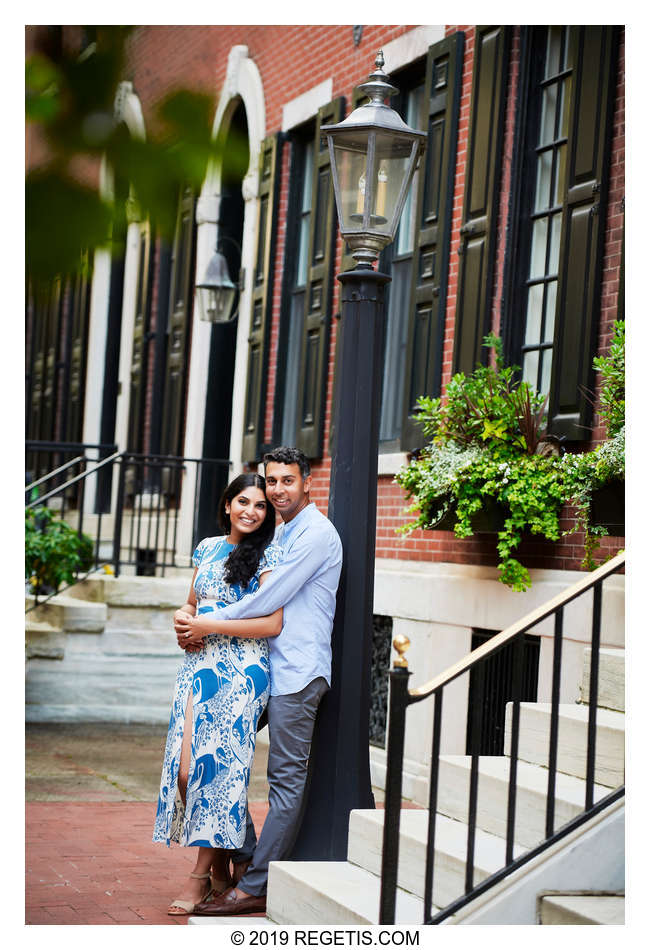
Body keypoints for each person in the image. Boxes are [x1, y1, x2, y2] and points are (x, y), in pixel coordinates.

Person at [181, 446, 342, 917]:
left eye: (286, 481)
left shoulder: (316, 534)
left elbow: (270, 599)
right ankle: (244, 855)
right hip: (264, 669)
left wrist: (206, 623)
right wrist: (190, 614)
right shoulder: (284, 529)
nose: (276, 490)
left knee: (284, 781)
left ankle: (254, 885)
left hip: (296, 672)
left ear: (307, 482)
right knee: (215, 759)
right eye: (272, 481)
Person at [152, 473, 283, 916]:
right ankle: (223, 869)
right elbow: (192, 602)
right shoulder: (208, 548)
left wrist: (208, 625)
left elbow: (272, 624)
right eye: (243, 501)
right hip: (197, 667)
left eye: (261, 505)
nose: (252, 511)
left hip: (242, 672)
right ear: (227, 504)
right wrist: (182, 618)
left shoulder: (269, 554)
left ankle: (199, 877)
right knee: (187, 773)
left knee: (215, 774)